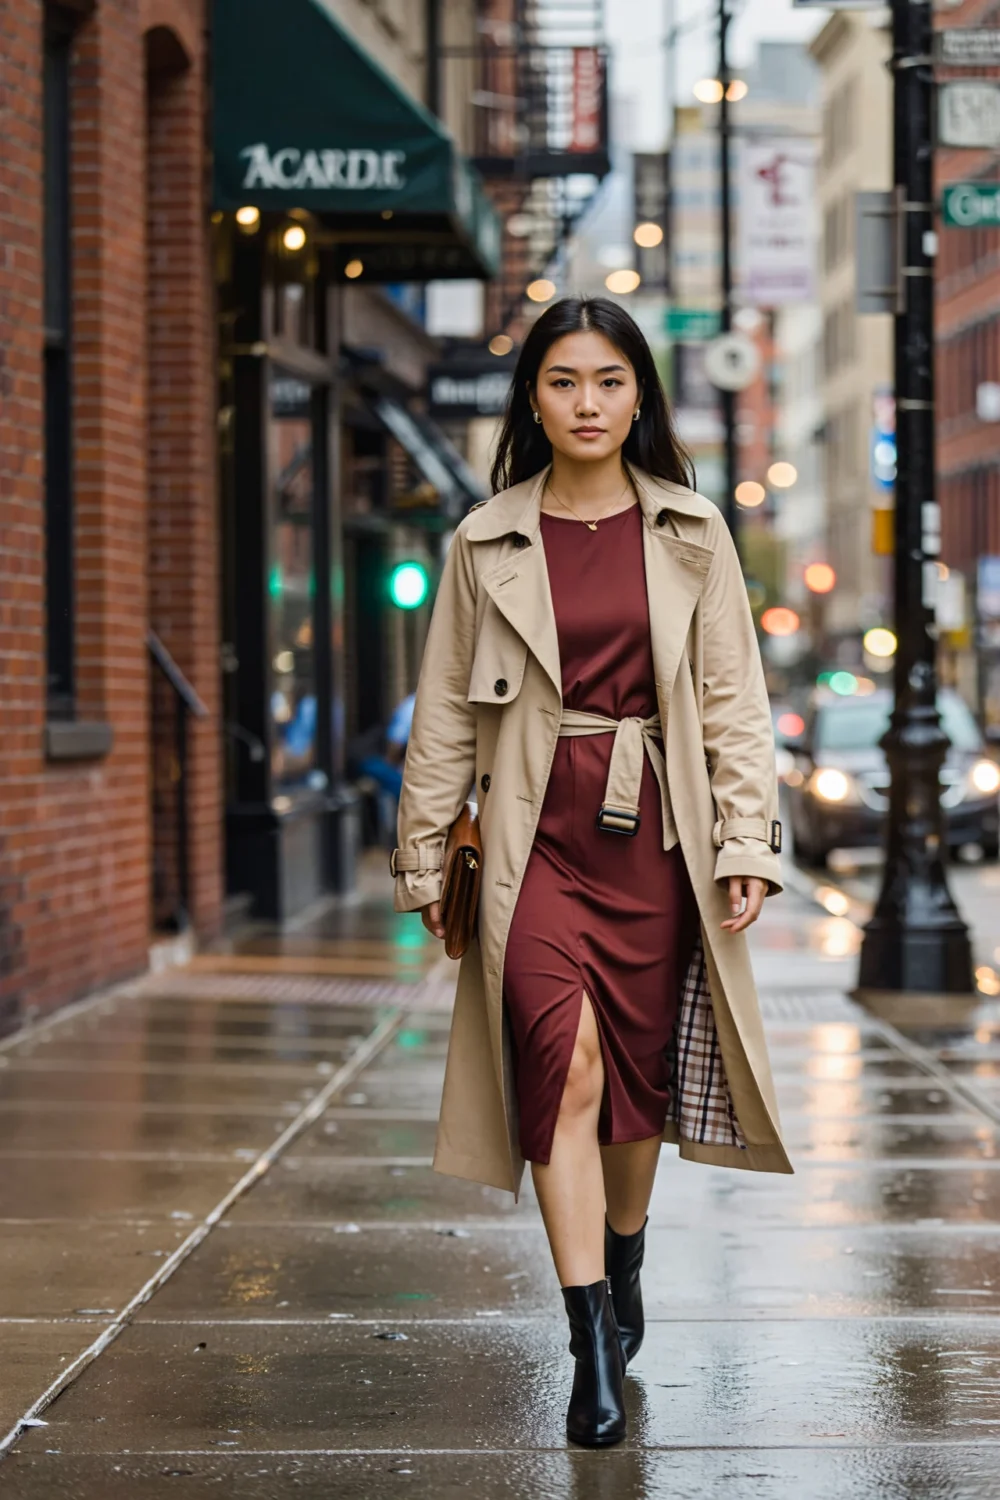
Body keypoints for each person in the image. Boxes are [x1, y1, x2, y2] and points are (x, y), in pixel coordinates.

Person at [391, 297, 790, 1448]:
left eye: (608, 382)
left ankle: (624, 1251)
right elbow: (444, 721)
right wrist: (426, 852)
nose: (586, 403)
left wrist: (745, 843)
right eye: (563, 381)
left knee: (635, 1088)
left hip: (657, 837)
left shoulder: (691, 533)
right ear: (533, 396)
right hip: (534, 839)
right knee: (559, 1071)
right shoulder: (484, 540)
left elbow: (733, 707)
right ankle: (588, 1348)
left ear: (638, 397)